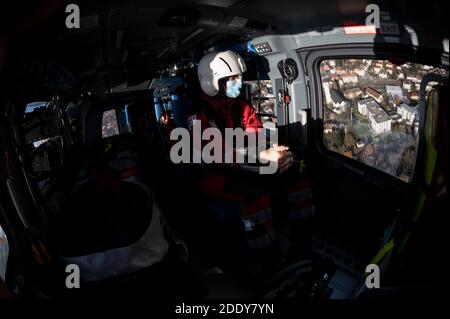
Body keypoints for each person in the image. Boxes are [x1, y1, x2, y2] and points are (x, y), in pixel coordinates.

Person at [187, 51, 314, 275]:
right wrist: (261, 158)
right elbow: (214, 151)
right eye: (231, 79)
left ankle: (304, 237)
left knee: (297, 171)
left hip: (245, 165)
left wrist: (273, 152)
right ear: (211, 82)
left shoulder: (241, 106)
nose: (238, 83)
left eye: (239, 77)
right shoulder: (198, 115)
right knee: (255, 193)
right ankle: (266, 255)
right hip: (213, 175)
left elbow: (255, 134)